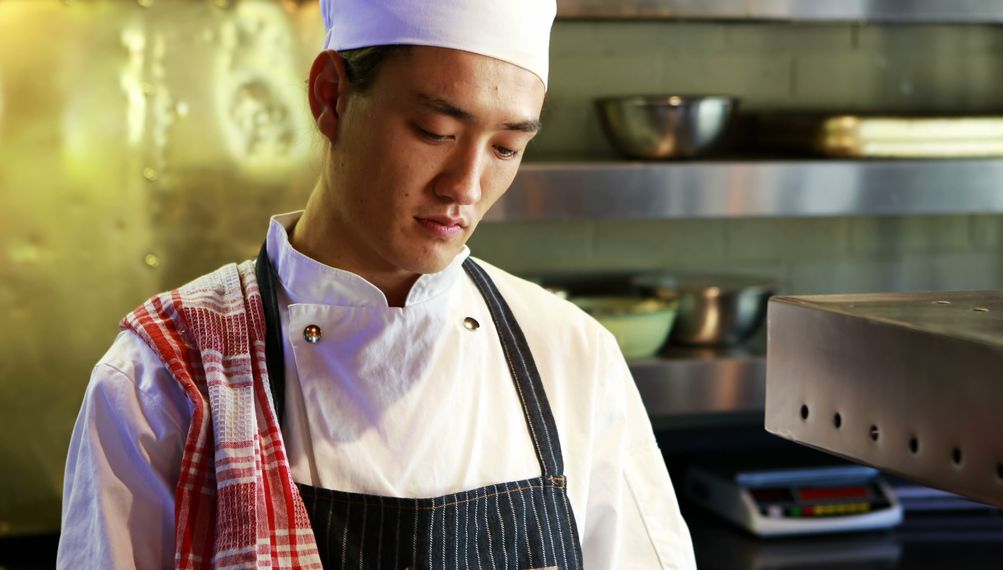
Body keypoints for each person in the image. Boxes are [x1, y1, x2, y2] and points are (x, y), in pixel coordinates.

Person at [57, 0, 696, 568]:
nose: (465, 187)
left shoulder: (572, 356)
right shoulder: (163, 378)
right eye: (435, 132)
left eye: (505, 147)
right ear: (330, 95)